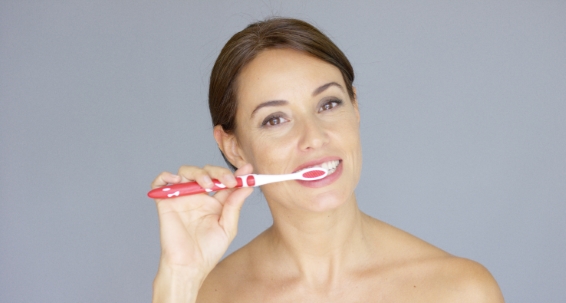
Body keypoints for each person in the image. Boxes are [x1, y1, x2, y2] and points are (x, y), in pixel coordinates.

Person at [150, 17, 504, 302]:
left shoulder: (461, 291)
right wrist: (180, 277)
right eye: (275, 119)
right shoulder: (204, 296)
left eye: (329, 104)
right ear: (233, 148)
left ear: (356, 107)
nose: (314, 137)